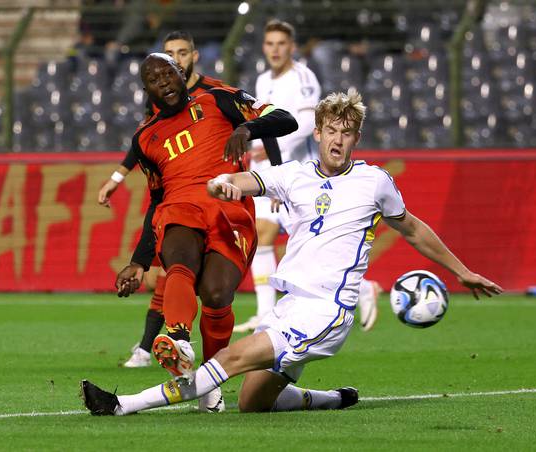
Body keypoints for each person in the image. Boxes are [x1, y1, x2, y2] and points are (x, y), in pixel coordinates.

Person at [81, 88, 502, 416]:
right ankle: (336, 399)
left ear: (357, 137)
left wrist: (461, 270)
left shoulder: (374, 182)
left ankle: (123, 405)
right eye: (331, 131)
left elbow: (411, 227)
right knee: (253, 401)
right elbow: (253, 181)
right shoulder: (297, 175)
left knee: (232, 356)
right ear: (317, 133)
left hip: (326, 311)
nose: (338, 140)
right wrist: (223, 182)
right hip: (290, 305)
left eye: (347, 133)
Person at [110, 52, 296, 412]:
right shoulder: (145, 139)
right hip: (180, 207)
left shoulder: (218, 99)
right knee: (179, 255)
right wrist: (138, 261)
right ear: (145, 89)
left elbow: (284, 119)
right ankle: (178, 337)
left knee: (215, 294)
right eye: (154, 79)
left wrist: (246, 128)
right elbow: (157, 200)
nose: (164, 82)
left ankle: (211, 382)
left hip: (230, 208)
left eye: (169, 73)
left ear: (183, 73)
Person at [235, 19, 381, 334]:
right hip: (270, 171)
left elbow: (304, 124)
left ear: (292, 47)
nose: (275, 50)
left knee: (315, 246)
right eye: (270, 43)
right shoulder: (262, 81)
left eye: (281, 44)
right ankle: (263, 312)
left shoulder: (302, 78)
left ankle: (364, 288)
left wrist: (271, 148)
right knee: (260, 235)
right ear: (264, 47)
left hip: (300, 174)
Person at [97, 31, 231, 370]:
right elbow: (145, 139)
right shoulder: (159, 103)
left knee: (203, 284)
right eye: (170, 53)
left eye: (180, 54)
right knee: (173, 269)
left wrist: (272, 173)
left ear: (190, 58)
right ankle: (168, 343)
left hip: (224, 196)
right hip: (181, 200)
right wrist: (117, 177)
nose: (176, 61)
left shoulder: (214, 95)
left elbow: (258, 118)